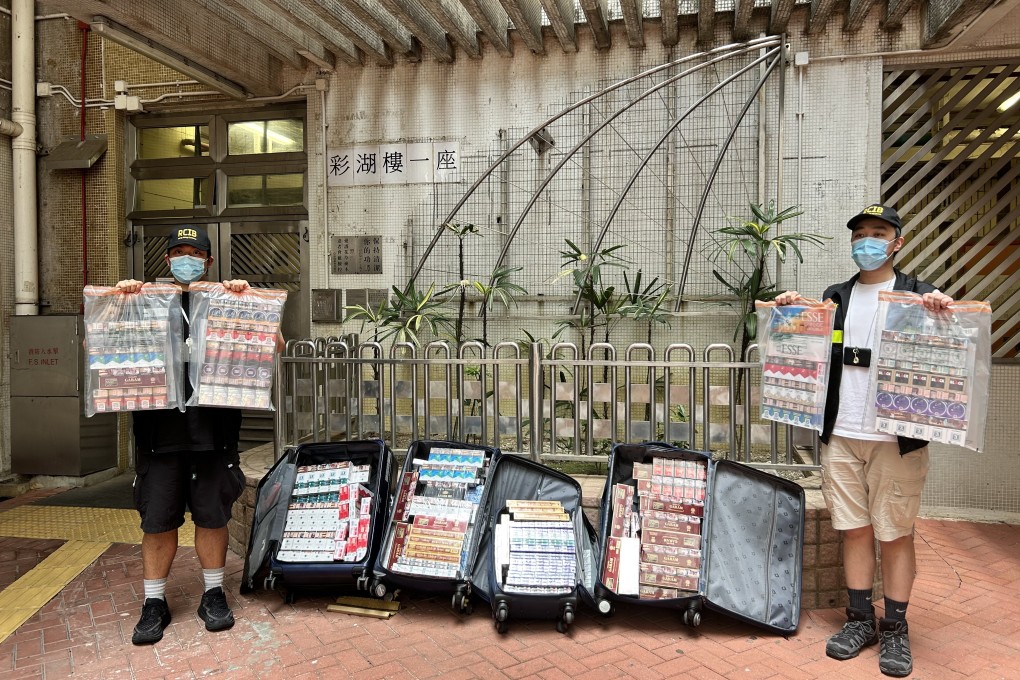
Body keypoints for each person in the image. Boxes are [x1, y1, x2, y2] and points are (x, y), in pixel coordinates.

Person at [775, 204, 953, 678]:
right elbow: (807, 342)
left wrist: (944, 312)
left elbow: (950, 346)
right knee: (854, 529)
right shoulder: (836, 296)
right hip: (842, 434)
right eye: (859, 234)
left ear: (897, 242)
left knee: (895, 533)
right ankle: (860, 620)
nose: (867, 241)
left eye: (878, 232)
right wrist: (792, 310)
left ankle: (895, 626)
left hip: (895, 438)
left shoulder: (920, 296)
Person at [112, 225, 283, 645]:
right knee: (157, 520)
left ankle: (213, 594)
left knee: (212, 516)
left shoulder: (226, 301)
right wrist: (119, 302)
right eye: (178, 252)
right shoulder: (144, 301)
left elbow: (275, 345)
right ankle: (154, 602)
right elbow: (96, 347)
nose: (185, 259)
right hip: (158, 433)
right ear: (166, 259)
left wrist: (251, 301)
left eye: (194, 253)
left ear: (208, 260)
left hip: (214, 431)